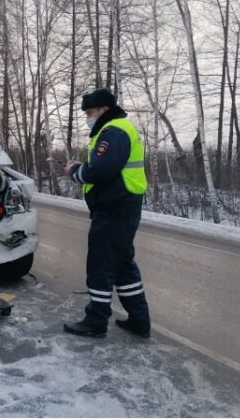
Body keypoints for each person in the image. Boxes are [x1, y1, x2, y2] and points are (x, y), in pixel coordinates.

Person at [62, 87, 151, 338]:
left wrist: (74, 172)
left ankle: (96, 322)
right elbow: (103, 166)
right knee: (123, 266)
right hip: (123, 206)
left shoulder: (113, 131)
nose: (87, 117)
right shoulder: (118, 129)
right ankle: (139, 320)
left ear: (104, 109)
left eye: (90, 112)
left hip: (114, 208)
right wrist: (83, 167)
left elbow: (100, 171)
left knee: (100, 265)